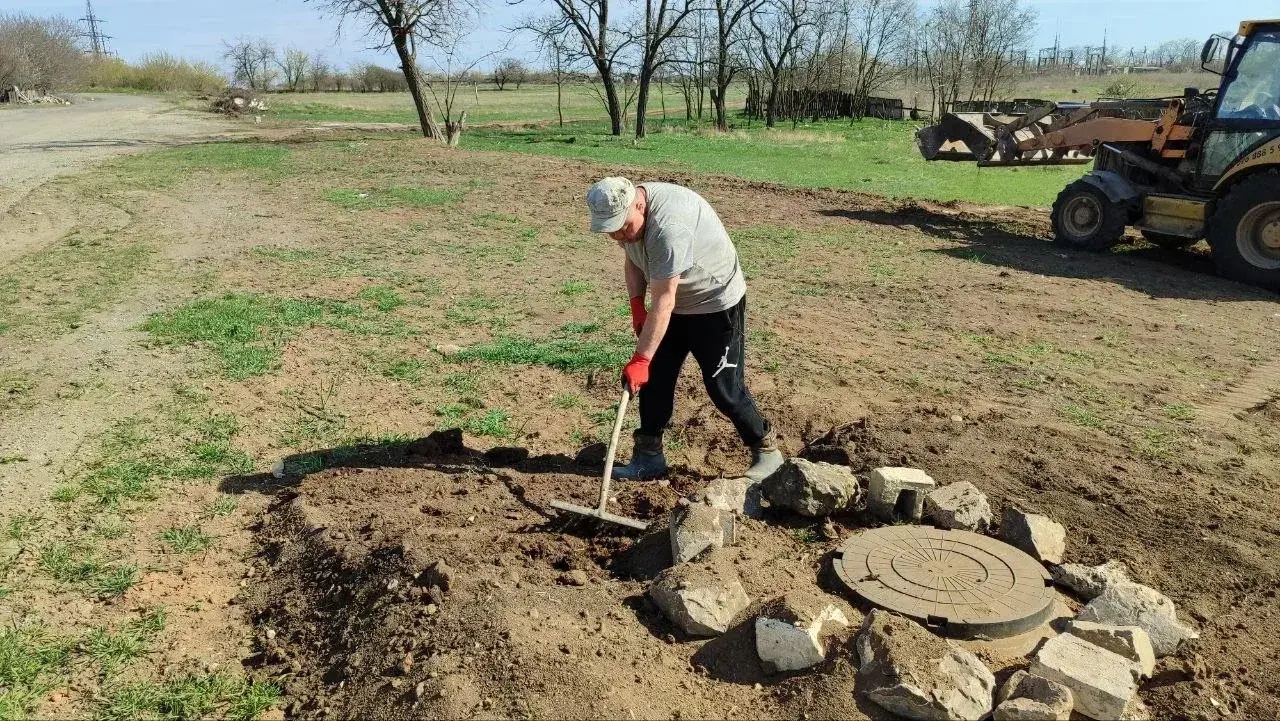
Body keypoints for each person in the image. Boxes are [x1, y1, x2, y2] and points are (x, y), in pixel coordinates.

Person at [585, 176, 783, 481]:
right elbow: (634, 261)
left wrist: (640, 358)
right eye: (612, 231)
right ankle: (649, 456)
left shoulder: (668, 227)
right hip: (674, 302)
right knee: (654, 380)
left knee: (723, 387)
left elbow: (664, 299)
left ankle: (766, 451)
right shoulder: (628, 222)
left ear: (638, 204)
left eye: (624, 227)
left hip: (714, 303)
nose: (620, 236)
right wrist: (637, 304)